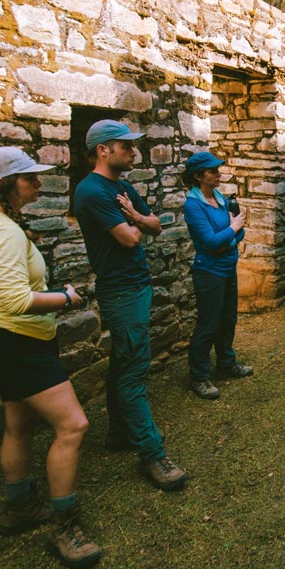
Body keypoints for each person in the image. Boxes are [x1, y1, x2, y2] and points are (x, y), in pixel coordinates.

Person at [0, 146, 101, 569]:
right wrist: (65, 297)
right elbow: (16, 299)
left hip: (3, 339)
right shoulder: (2, 231)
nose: (38, 184)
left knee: (18, 424)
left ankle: (19, 506)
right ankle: (64, 526)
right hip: (19, 342)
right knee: (73, 425)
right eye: (29, 179)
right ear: (4, 184)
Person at [73, 120, 187, 491]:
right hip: (120, 291)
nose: (133, 152)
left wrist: (136, 217)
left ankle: (118, 433)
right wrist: (136, 224)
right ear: (103, 150)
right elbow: (127, 240)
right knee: (135, 368)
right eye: (126, 146)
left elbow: (154, 225)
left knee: (123, 361)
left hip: (137, 286)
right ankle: (152, 454)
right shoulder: (91, 191)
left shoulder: (121, 187)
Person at [182, 151, 253, 399]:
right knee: (208, 325)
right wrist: (232, 229)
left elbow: (235, 235)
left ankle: (226, 363)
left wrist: (230, 234)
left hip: (227, 268)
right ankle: (199, 376)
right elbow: (212, 242)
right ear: (198, 176)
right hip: (209, 272)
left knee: (228, 319)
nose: (217, 174)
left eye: (216, 170)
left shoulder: (220, 198)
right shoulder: (193, 205)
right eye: (212, 171)